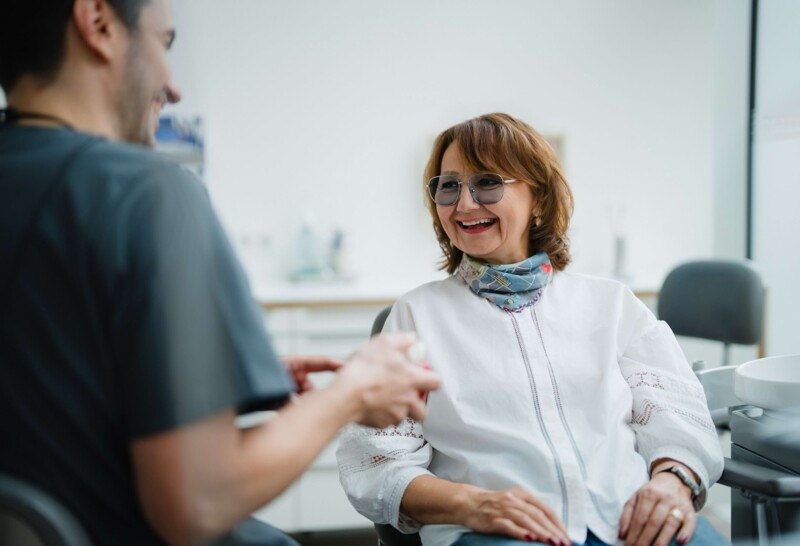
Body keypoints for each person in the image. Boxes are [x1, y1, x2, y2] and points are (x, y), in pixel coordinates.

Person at [0, 1, 439, 545]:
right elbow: (198, 503)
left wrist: (198, 385)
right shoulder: (148, 192)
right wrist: (349, 392)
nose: (174, 87)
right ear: (98, 23)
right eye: (165, 44)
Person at [337, 113, 728, 546]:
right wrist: (472, 504)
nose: (464, 204)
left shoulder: (611, 304)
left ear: (538, 197)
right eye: (448, 186)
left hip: (629, 521)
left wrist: (672, 482)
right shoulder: (416, 315)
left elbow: (679, 413)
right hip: (495, 533)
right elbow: (374, 461)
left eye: (487, 183)